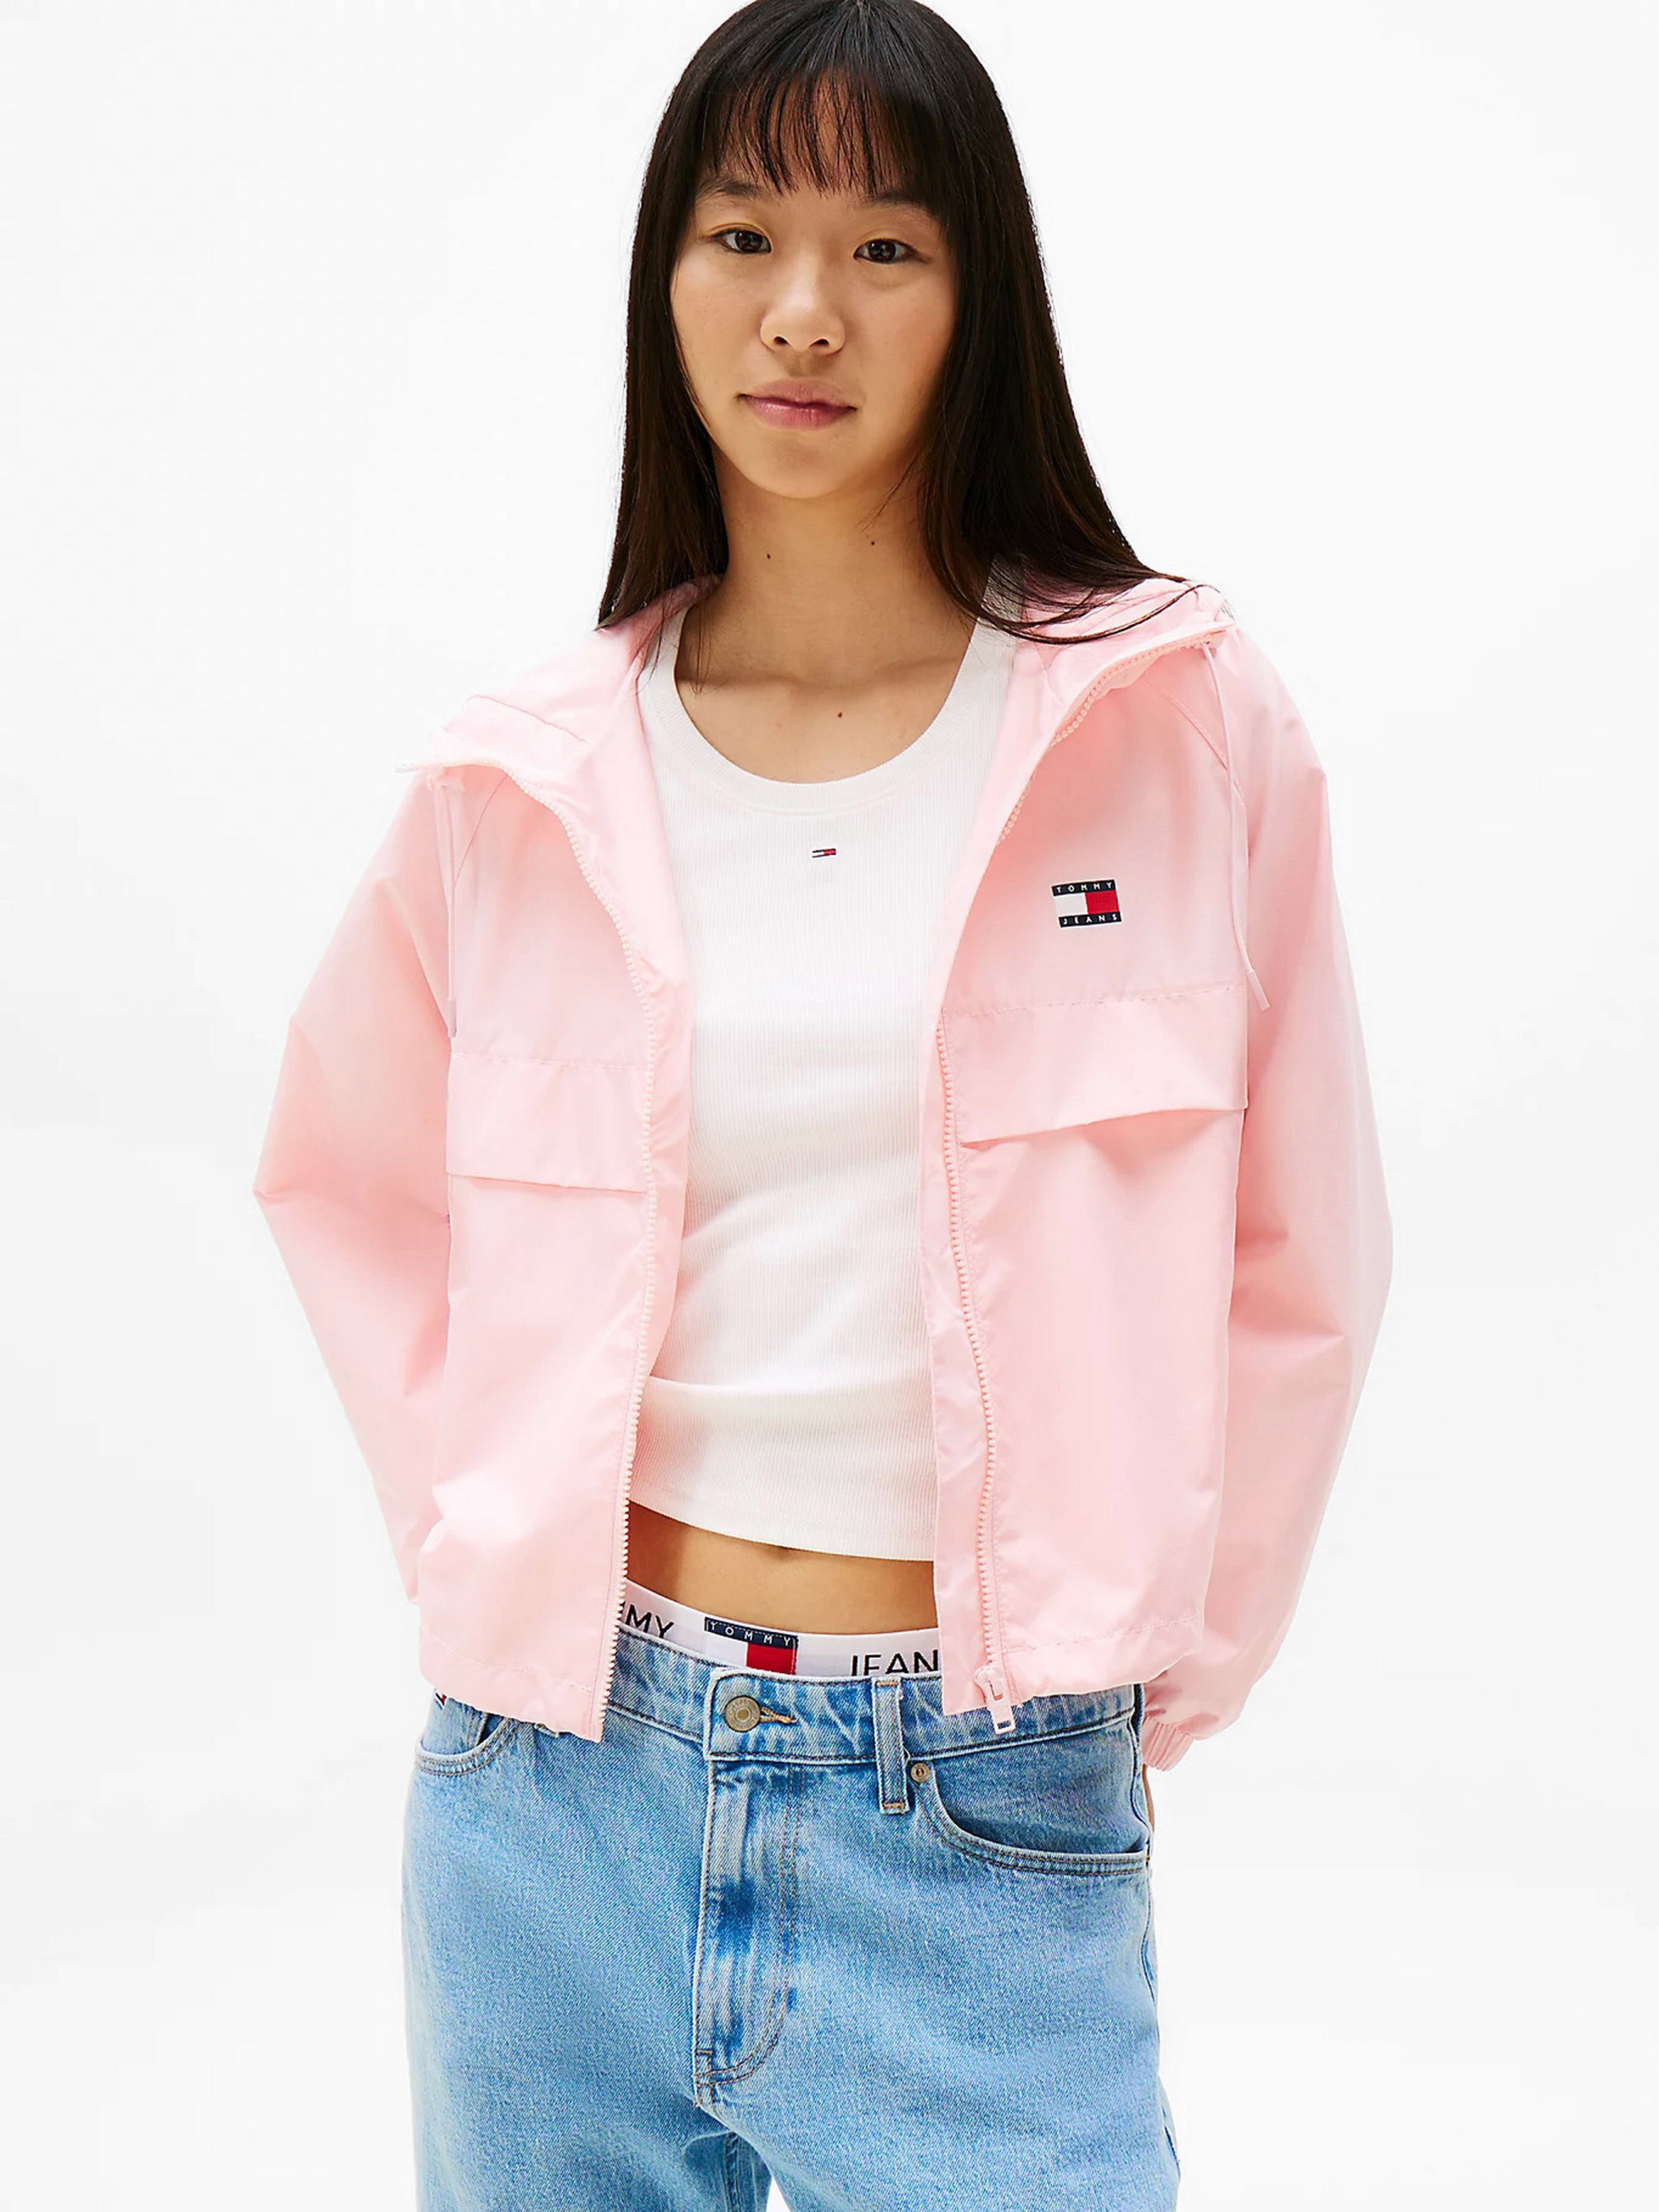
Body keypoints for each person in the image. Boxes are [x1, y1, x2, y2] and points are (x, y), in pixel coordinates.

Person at [252, 2, 1392, 2203]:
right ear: (662, 279)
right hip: (547, 1802)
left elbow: (1303, 1248)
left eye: (884, 246)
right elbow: (347, 1183)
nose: (802, 311)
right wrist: (486, 1558)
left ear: (980, 300)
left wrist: (1137, 1666)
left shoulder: (1168, 723)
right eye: (741, 233)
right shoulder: (520, 779)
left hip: (981, 1796)